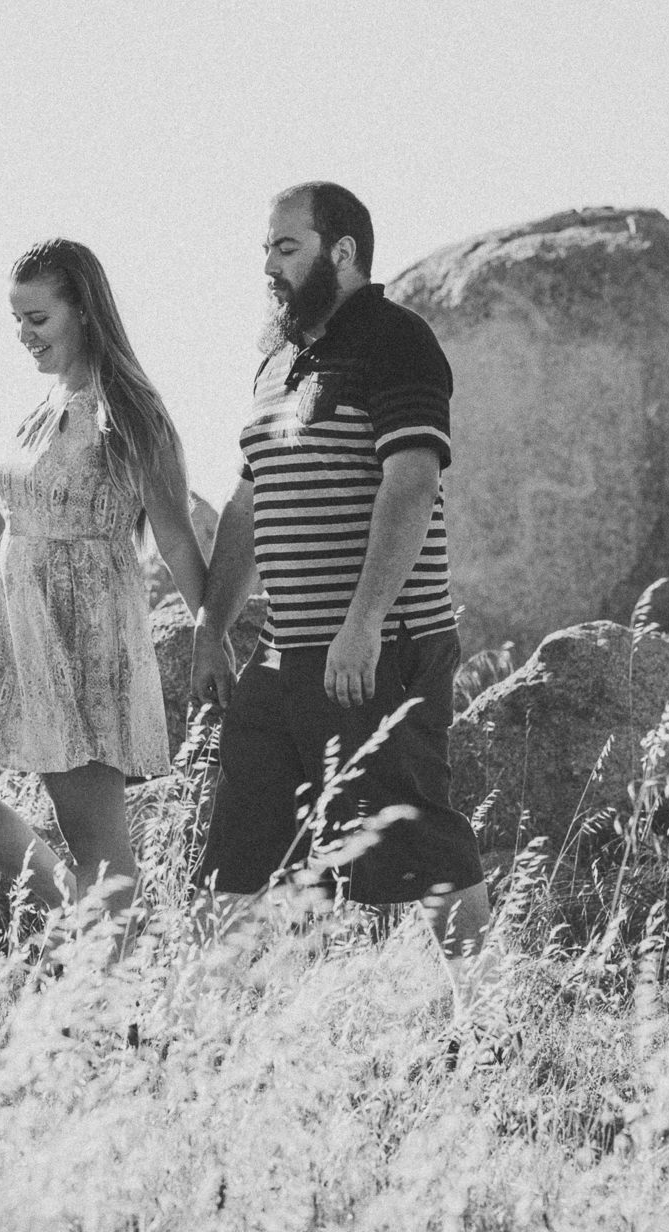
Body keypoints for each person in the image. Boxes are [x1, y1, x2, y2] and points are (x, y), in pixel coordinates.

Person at [189, 182, 496, 1003]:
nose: (270, 268)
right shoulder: (276, 360)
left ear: (345, 252)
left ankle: (489, 1018)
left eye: (286, 249)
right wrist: (211, 626)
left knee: (419, 834)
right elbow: (251, 503)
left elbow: (411, 483)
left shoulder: (398, 342)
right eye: (265, 252)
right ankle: (228, 1034)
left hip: (381, 648)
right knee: (246, 844)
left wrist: (361, 627)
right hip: (285, 651)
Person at [0, 239, 208, 916]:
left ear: (83, 311)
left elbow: (176, 534)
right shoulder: (46, 404)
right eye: (16, 319)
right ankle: (67, 904)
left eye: (36, 318)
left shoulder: (127, 409)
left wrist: (211, 628)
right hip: (8, 635)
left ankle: (112, 1003)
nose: (23, 335)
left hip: (83, 637)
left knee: (99, 841)